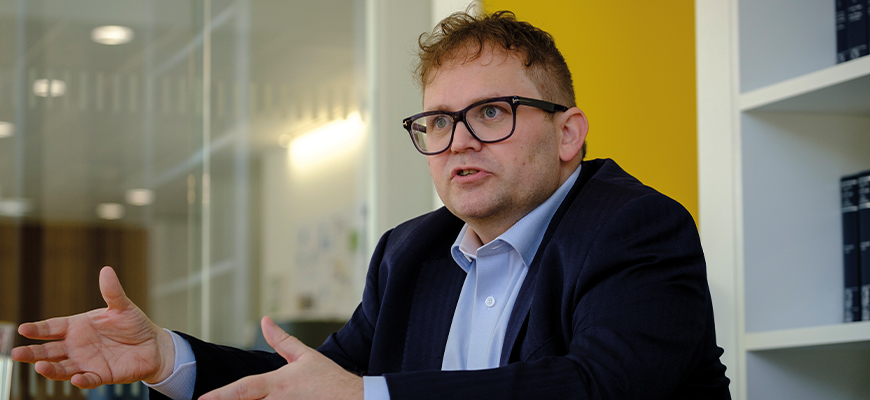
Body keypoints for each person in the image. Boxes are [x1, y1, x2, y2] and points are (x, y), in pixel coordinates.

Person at [12, 10, 730, 400]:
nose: (458, 140)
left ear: (568, 134)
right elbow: (312, 383)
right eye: (439, 121)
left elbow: (598, 388)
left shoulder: (635, 227)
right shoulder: (410, 253)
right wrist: (167, 356)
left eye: (492, 112)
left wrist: (369, 399)